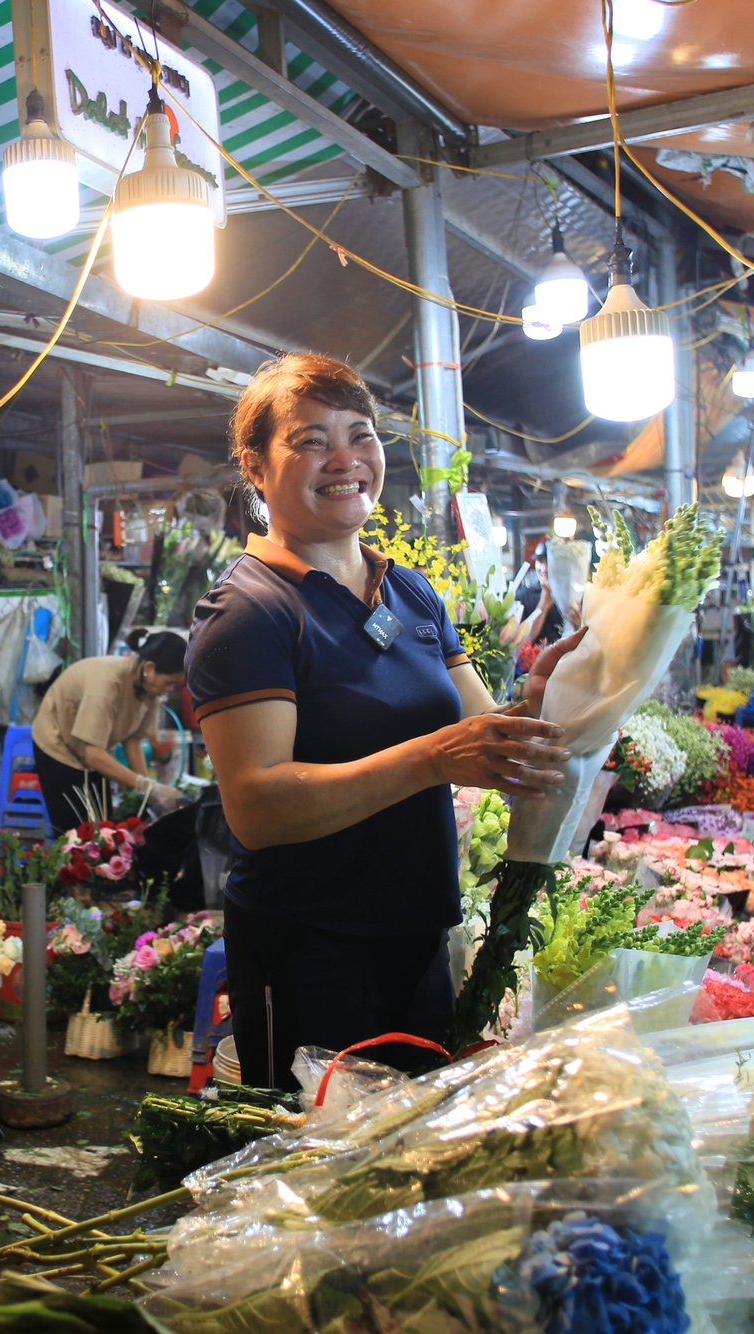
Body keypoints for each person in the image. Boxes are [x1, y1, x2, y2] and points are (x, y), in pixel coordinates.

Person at [187, 353, 578, 1087]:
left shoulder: (409, 592)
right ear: (256, 467)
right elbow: (258, 807)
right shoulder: (250, 611)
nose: (346, 460)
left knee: (401, 1167)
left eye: (360, 435)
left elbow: (480, 732)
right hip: (309, 948)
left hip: (417, 934)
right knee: (318, 1176)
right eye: (310, 440)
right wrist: (431, 760)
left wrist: (547, 700)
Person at [30, 631, 186, 830]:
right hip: (58, 745)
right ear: (149, 668)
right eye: (169, 682)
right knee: (76, 832)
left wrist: (149, 794)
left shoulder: (151, 690)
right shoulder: (107, 684)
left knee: (105, 829)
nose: (170, 689)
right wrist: (147, 786)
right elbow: (94, 755)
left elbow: (133, 740)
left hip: (91, 751)